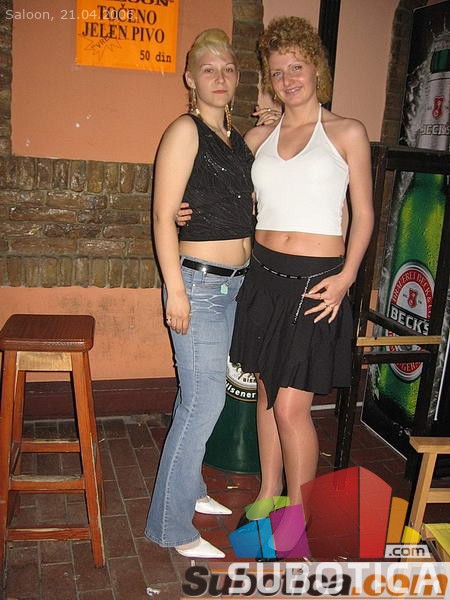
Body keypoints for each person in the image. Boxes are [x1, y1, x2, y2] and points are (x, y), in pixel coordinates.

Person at [178, 15, 373, 529]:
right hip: (262, 277)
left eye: (297, 67)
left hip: (318, 284)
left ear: (317, 70)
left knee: (291, 408)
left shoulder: (347, 132)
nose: (289, 79)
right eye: (278, 71)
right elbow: (227, 196)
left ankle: (300, 515)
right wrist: (183, 210)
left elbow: (364, 214)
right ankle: (267, 494)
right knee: (266, 396)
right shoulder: (259, 135)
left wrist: (348, 277)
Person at [144, 28, 256, 559]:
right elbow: (163, 216)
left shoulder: (235, 139)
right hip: (199, 285)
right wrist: (175, 290)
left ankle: (188, 489)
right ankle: (169, 525)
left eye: (228, 68)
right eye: (208, 69)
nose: (220, 77)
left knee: (200, 398)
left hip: (233, 286)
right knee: (202, 403)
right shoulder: (184, 131)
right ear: (190, 78)